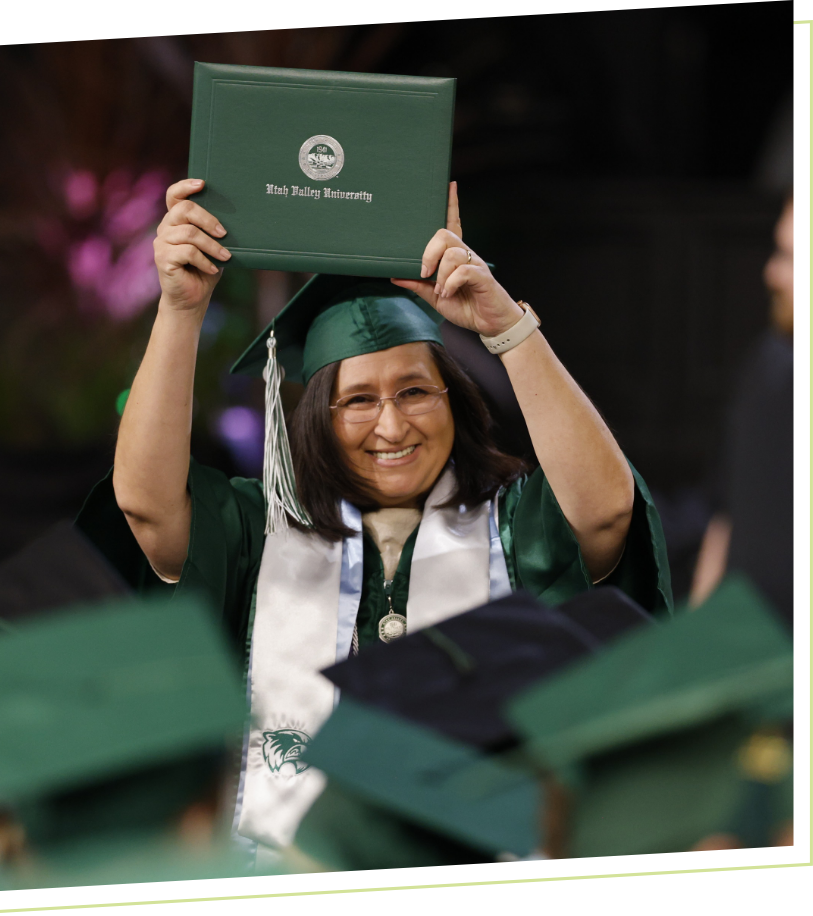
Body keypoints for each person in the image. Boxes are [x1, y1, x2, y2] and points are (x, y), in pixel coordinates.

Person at [76, 177, 672, 853]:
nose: (392, 425)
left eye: (415, 390)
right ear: (316, 424)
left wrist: (508, 327)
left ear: (455, 400)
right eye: (358, 401)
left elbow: (604, 511)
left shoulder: (515, 525)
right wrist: (181, 309)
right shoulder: (260, 528)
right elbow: (145, 507)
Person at [689, 196, 793, 625]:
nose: (772, 272)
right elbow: (726, 515)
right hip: (743, 650)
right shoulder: (771, 364)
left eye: (790, 257)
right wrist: (697, 638)